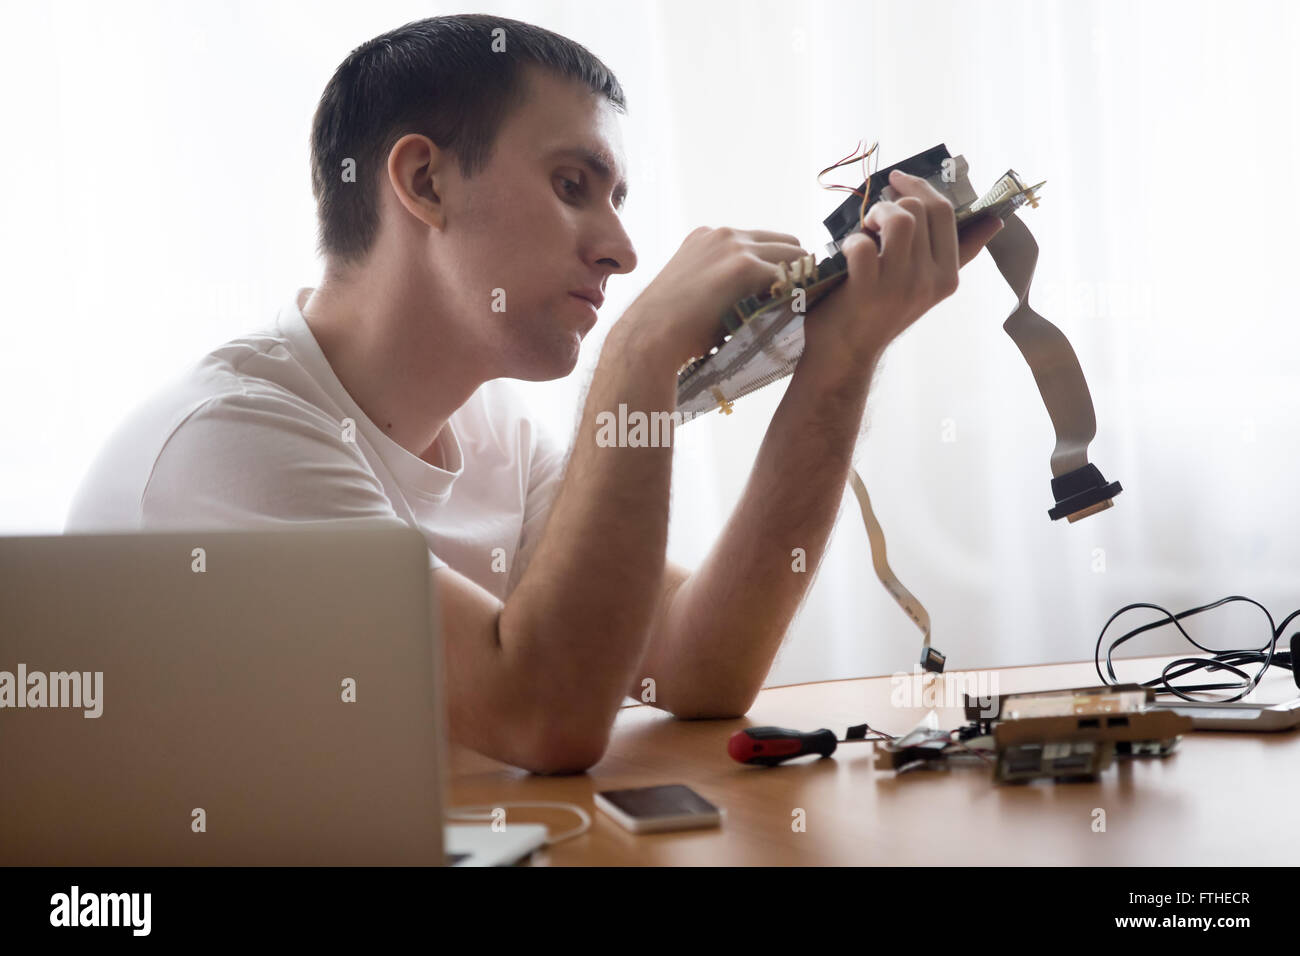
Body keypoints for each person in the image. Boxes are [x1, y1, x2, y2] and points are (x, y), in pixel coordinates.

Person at [66, 14, 1002, 773]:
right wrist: (635, 357)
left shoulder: (495, 429)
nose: (622, 250)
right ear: (423, 181)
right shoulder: (230, 446)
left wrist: (841, 360)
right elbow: (542, 718)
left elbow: (698, 663)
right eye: (571, 185)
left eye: (618, 199)